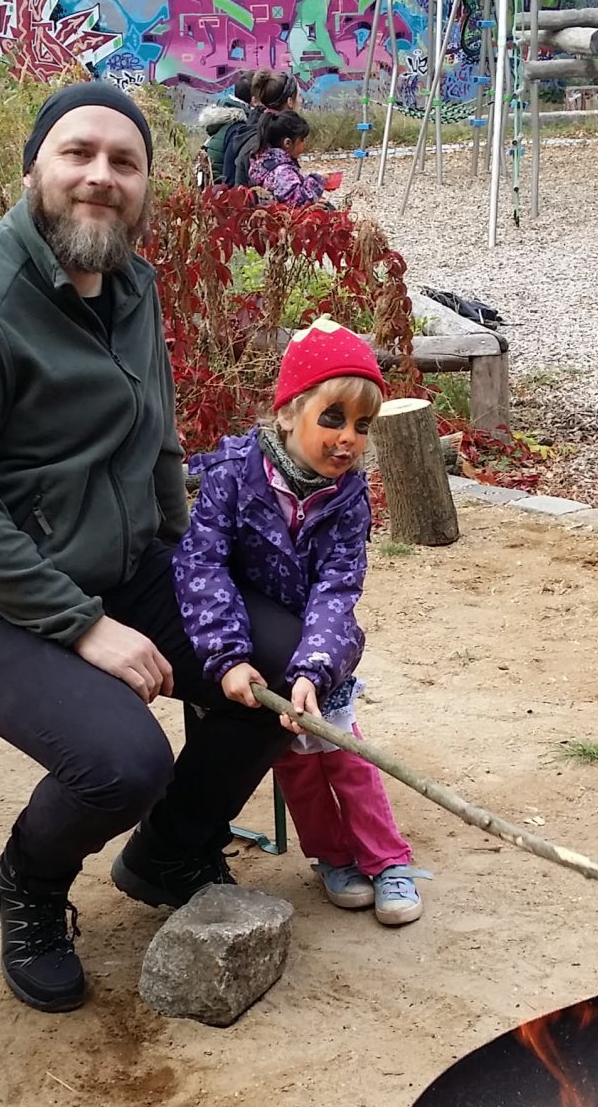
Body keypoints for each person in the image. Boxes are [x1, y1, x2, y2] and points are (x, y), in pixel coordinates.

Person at [0, 82, 301, 1013]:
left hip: (119, 568)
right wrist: (82, 626)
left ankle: (168, 853)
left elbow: (158, 447)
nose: (100, 176)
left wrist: (197, 574)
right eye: (77, 153)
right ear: (34, 168)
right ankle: (27, 884)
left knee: (283, 658)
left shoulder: (128, 285)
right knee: (123, 762)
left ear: (146, 184)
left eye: (124, 161)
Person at [173, 318, 421, 927]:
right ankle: (332, 858)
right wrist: (228, 655)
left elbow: (338, 587)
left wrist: (315, 667)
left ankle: (387, 860)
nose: (348, 438)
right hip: (254, 649)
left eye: (362, 425)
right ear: (287, 413)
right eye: (332, 418)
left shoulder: (348, 497)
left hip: (317, 649)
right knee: (295, 763)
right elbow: (203, 566)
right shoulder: (232, 476)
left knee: (345, 754)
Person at [247, 111, 343, 208]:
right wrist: (318, 181)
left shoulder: (263, 162)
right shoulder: (281, 171)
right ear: (287, 143)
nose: (304, 144)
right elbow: (298, 200)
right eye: (302, 140)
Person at [221, 69, 298, 187]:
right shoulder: (266, 142)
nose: (301, 101)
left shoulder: (255, 129)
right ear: (290, 102)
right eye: (299, 96)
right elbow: (286, 191)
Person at [199, 72, 254, 184]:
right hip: (219, 189)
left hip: (210, 186)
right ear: (254, 99)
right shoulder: (238, 129)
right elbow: (229, 178)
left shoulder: (225, 118)